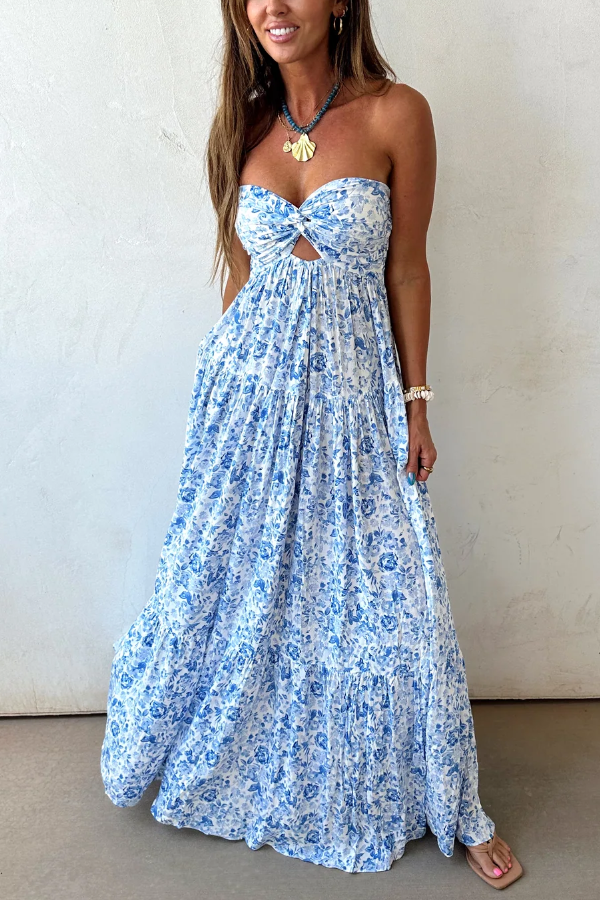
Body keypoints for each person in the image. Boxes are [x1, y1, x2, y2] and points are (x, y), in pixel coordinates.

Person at [101, 0, 523, 887]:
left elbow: (407, 266)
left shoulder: (397, 113)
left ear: (340, 1)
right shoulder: (242, 126)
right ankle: (246, 760)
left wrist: (416, 402)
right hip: (249, 402)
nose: (274, 6)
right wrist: (219, 404)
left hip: (356, 401)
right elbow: (241, 276)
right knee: (233, 589)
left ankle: (450, 796)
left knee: (394, 603)